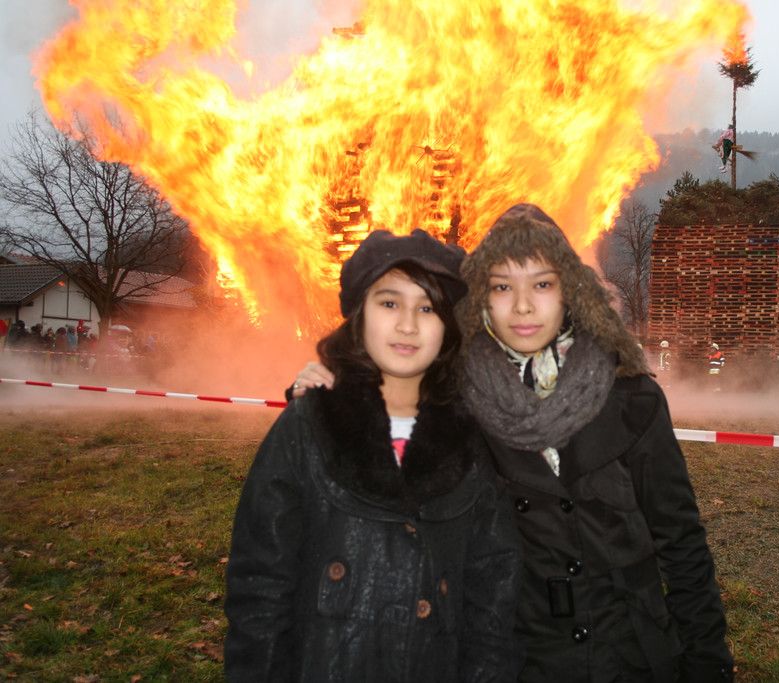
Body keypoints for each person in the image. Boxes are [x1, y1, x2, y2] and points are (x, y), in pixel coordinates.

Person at [293, 206, 733, 682]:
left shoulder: (632, 398)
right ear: (482, 300)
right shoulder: (456, 402)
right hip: (521, 661)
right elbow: (381, 445)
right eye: (503, 287)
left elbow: (682, 545)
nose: (523, 306)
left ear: (571, 291)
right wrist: (330, 394)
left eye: (541, 284)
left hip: (631, 659)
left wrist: (708, 666)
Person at [225, 229, 521, 682]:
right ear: (359, 315)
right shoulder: (307, 428)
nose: (408, 325)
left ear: (448, 327)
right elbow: (260, 589)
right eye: (389, 303)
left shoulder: (472, 443)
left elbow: (494, 599)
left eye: (427, 308)